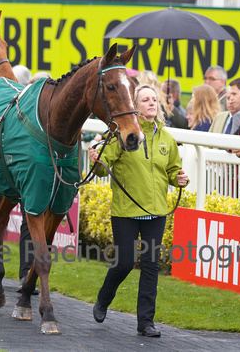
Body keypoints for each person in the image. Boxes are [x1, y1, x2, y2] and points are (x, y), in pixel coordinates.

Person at [89, 84, 189, 338]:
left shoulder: (166, 138)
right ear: (135, 106)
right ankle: (104, 297)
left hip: (156, 212)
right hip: (126, 211)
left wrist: (179, 178)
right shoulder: (121, 135)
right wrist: (96, 160)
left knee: (151, 265)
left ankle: (146, 322)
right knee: (124, 263)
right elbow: (103, 168)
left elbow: (172, 170)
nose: (151, 103)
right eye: (145, 100)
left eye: (154, 100)